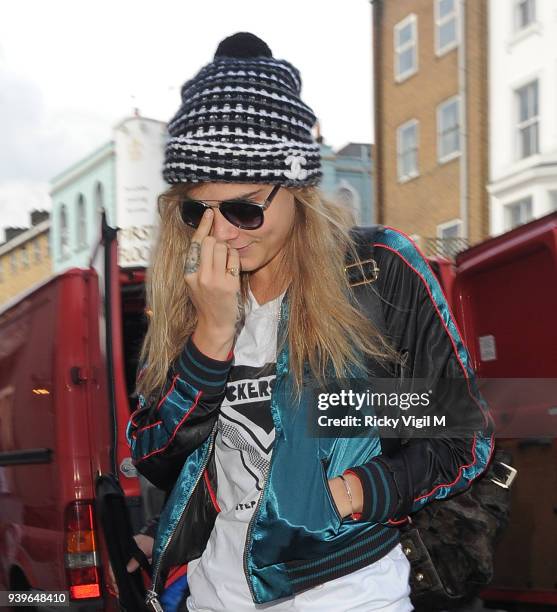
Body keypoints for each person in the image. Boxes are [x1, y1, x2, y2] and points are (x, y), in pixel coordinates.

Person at [125, 32, 495, 612]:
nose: (222, 234)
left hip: (351, 591)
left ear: (297, 188)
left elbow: (460, 436)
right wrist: (211, 338)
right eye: (200, 210)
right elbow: (158, 458)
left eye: (246, 207)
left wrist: (355, 490)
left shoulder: (375, 273)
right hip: (214, 595)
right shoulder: (191, 289)